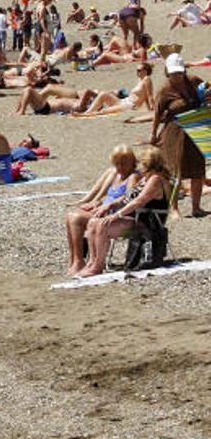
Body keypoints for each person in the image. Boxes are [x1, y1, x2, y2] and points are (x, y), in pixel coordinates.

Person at [78, 147, 172, 276]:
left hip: (146, 224)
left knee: (102, 225)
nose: (138, 166)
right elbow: (128, 196)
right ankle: (92, 262)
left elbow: (139, 201)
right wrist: (110, 204)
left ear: (147, 164)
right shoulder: (146, 178)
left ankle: (97, 266)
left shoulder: (155, 180)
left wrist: (117, 215)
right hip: (136, 218)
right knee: (92, 222)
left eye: (141, 163)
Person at [65, 145, 140, 275]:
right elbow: (110, 195)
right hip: (103, 211)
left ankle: (85, 262)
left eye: (124, 163)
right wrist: (98, 202)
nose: (120, 167)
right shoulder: (117, 175)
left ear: (132, 162)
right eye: (117, 164)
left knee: (82, 219)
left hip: (118, 214)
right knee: (71, 216)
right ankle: (76, 259)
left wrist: (108, 206)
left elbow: (129, 196)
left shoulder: (133, 176)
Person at [150, 53, 207, 217]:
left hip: (196, 128)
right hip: (174, 132)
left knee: (198, 169)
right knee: (174, 171)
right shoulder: (165, 89)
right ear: (167, 71)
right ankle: (174, 208)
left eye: (179, 73)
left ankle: (196, 207)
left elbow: (207, 93)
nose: (176, 76)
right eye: (173, 73)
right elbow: (156, 114)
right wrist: (153, 134)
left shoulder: (194, 81)